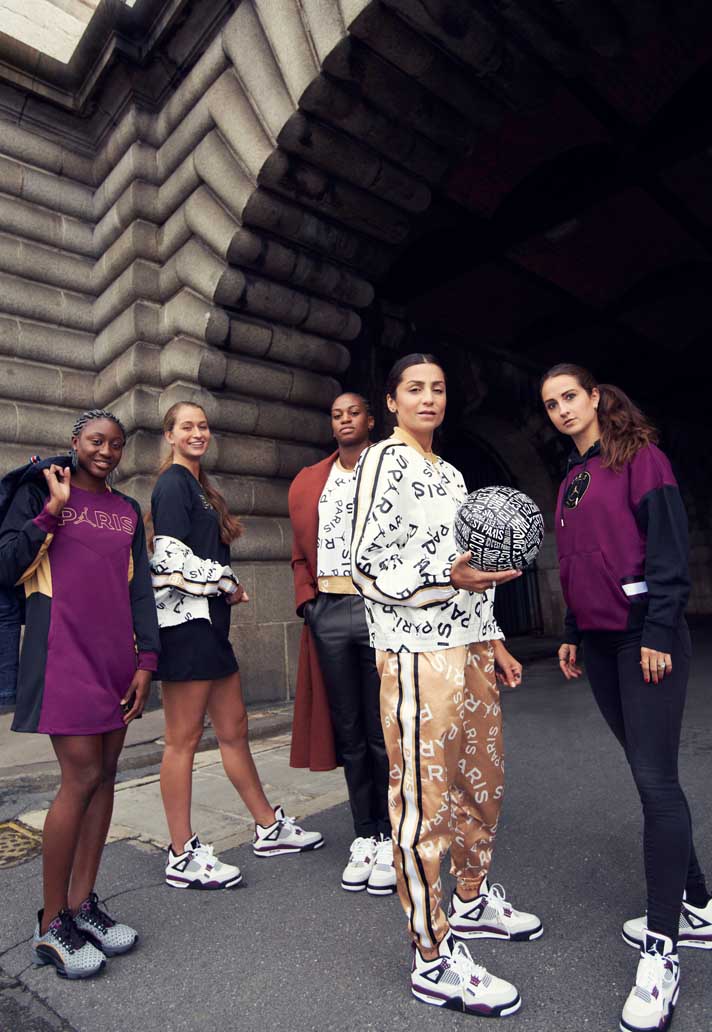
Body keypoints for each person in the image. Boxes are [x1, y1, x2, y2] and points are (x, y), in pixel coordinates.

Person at [351, 354, 542, 1017]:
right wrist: (446, 579)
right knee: (424, 803)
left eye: (437, 387)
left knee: (480, 783)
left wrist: (492, 636)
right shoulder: (381, 460)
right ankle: (430, 955)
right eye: (415, 389)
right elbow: (366, 567)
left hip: (468, 649)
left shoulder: (454, 472)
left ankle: (472, 899)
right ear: (392, 401)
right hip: (413, 651)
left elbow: (476, 567)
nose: (429, 397)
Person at [541, 363, 711, 1032]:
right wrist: (571, 631)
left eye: (569, 398)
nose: (560, 410)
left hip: (647, 635)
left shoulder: (643, 459)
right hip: (604, 644)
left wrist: (662, 630)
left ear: (595, 397)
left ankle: (663, 950)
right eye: (550, 403)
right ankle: (695, 901)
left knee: (656, 780)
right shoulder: (571, 482)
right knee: (648, 777)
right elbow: (578, 561)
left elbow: (666, 551)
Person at [0, 409, 160, 979]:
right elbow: (7, 564)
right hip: (61, 655)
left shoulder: (126, 510)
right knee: (81, 777)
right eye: (96, 441)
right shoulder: (43, 492)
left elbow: (140, 587)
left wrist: (147, 661)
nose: (107, 451)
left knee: (106, 776)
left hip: (117, 659)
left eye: (116, 444)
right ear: (74, 442)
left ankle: (81, 904)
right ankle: (50, 925)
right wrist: (52, 512)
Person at [149, 401, 323, 889]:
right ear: (170, 436)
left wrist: (227, 585)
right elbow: (168, 557)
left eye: (203, 426)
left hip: (210, 628)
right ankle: (180, 851)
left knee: (234, 728)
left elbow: (199, 555)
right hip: (185, 627)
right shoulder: (172, 484)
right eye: (187, 427)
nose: (197, 433)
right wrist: (227, 582)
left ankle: (267, 826)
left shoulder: (202, 488)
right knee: (181, 740)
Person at [289, 393, 395, 895]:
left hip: (376, 608)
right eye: (336, 414)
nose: (345, 419)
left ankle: (395, 836)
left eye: (353, 412)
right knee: (349, 730)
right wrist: (309, 604)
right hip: (328, 610)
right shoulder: (312, 478)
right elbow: (297, 553)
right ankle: (365, 835)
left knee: (381, 730)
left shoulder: (391, 465)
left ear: (370, 419)